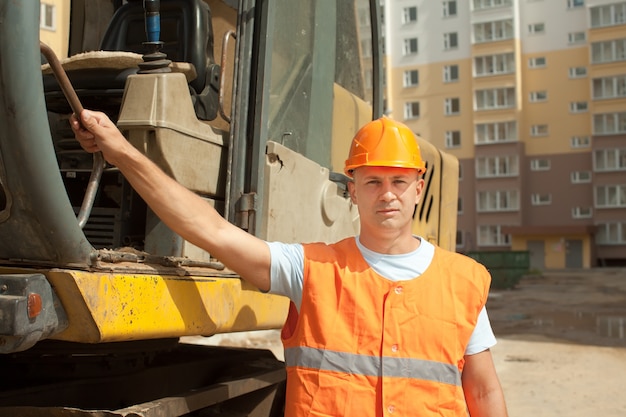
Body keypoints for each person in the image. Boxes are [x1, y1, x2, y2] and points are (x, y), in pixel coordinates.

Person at [71, 110, 508, 416]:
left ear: (419, 187)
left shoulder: (462, 280)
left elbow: (483, 390)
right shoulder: (311, 270)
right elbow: (213, 230)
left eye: (399, 181)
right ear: (352, 190)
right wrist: (122, 153)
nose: (387, 194)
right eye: (372, 182)